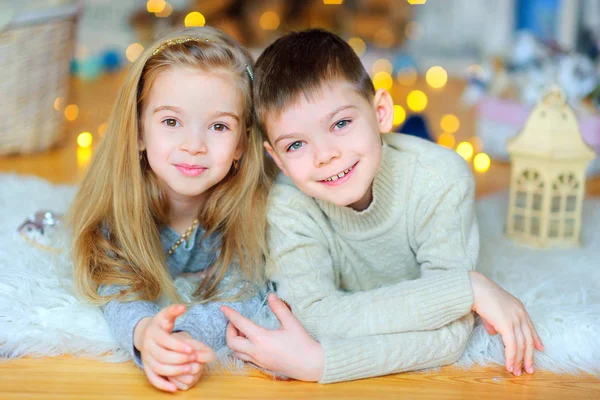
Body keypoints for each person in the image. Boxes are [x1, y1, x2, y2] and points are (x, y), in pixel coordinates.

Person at [222, 29, 544, 384]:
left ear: (381, 112)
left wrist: (323, 360)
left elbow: (453, 335)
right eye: (296, 145)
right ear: (278, 160)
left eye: (341, 123)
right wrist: (468, 290)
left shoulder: (442, 178)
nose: (326, 155)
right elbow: (314, 315)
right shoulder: (286, 203)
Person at [68, 26, 276, 392]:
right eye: (171, 121)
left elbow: (247, 289)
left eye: (218, 125)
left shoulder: (253, 208)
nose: (193, 144)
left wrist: (186, 336)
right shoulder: (119, 206)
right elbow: (114, 284)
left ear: (242, 143)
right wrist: (146, 333)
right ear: (138, 133)